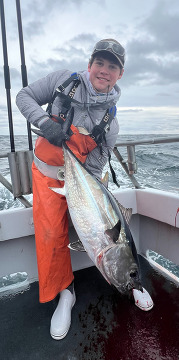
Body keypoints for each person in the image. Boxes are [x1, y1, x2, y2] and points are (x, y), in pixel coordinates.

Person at [16, 38, 153, 340]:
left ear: (121, 74)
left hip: (80, 182)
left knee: (82, 229)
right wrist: (43, 121)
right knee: (51, 236)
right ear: (90, 64)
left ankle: (103, 282)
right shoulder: (63, 81)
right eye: (100, 63)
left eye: (112, 66)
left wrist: (81, 196)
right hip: (47, 175)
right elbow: (24, 96)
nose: (104, 70)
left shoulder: (111, 123)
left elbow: (96, 164)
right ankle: (66, 294)